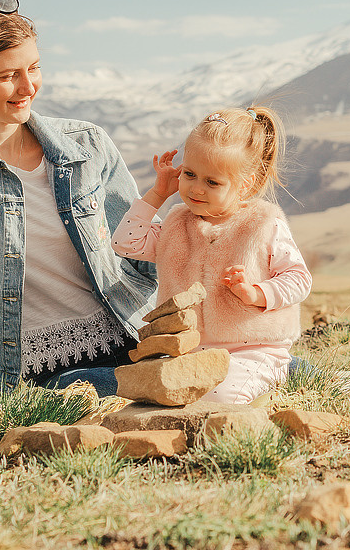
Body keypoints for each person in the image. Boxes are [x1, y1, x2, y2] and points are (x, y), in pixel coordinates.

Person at [0, 0, 158, 431]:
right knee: (105, 395)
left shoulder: (89, 143)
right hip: (57, 374)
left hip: (136, 334)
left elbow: (144, 256)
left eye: (34, 68)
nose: (28, 88)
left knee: (271, 367)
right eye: (7, 76)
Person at [111, 106, 311, 404]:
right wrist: (157, 194)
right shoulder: (177, 224)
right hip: (189, 350)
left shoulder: (263, 225)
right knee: (155, 393)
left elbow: (299, 279)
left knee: (214, 397)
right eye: (189, 174)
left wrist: (257, 293)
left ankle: (280, 376)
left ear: (246, 185)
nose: (196, 188)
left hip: (253, 348)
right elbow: (125, 243)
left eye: (212, 182)